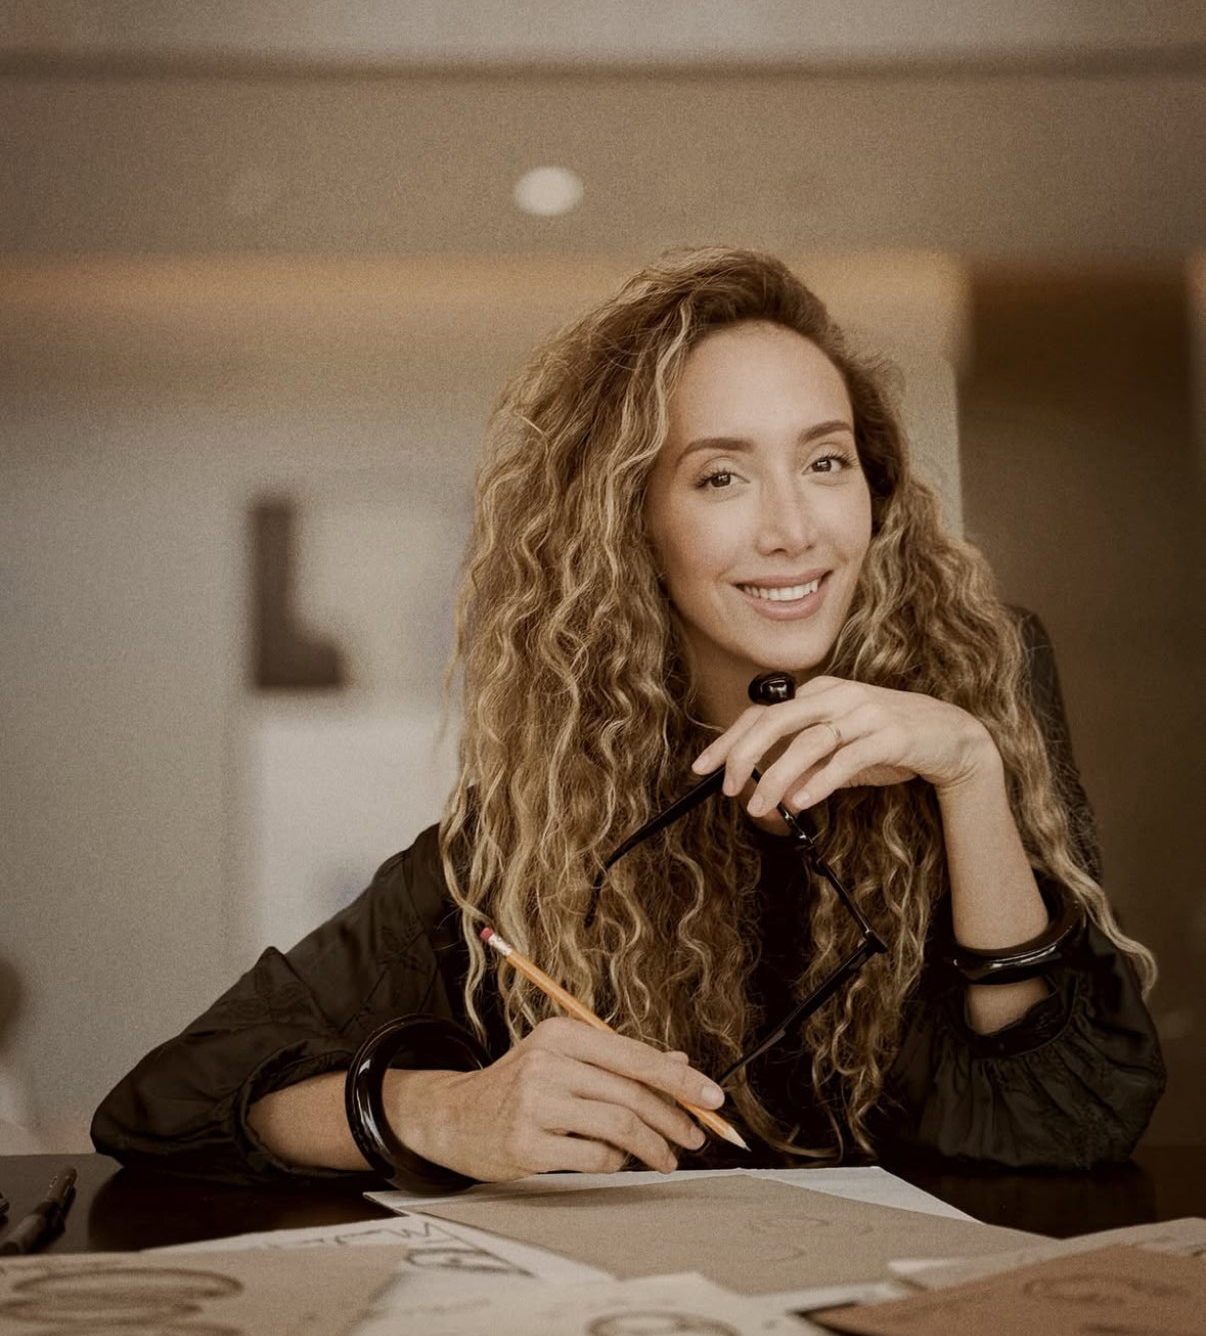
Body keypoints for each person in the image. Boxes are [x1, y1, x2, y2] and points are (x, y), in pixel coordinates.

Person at [92, 248, 1164, 1187]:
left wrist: (969, 771)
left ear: (874, 490)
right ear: (633, 522)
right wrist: (438, 1110)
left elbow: (1065, 1117)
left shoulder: (977, 675)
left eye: (825, 461)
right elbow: (167, 1100)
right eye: (721, 476)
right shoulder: (557, 808)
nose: (794, 527)